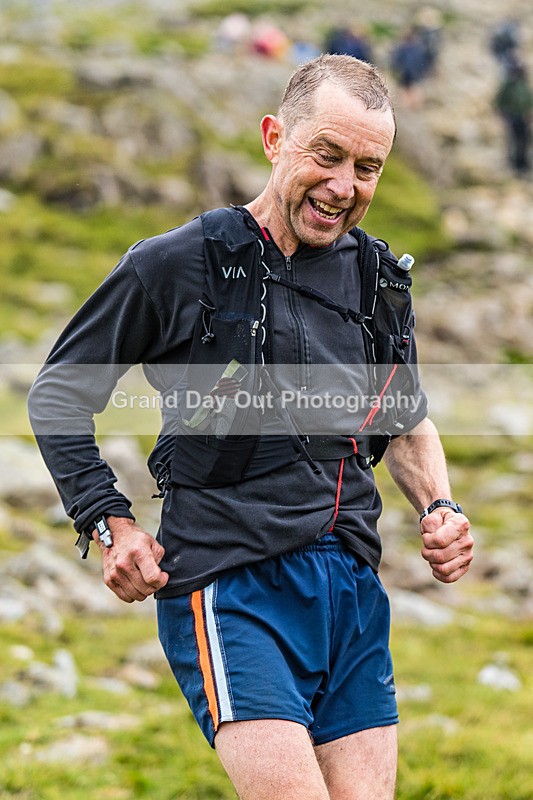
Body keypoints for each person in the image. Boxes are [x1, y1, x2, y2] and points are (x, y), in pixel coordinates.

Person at [28, 55, 473, 799]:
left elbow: (402, 418)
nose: (343, 187)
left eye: (367, 168)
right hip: (231, 587)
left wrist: (440, 505)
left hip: (350, 591)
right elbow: (58, 396)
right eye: (325, 155)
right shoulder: (174, 264)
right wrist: (109, 522)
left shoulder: (378, 281)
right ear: (275, 138)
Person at [494, 61, 533, 177]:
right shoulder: (508, 86)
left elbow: (529, 101)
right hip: (513, 117)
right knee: (515, 140)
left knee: (524, 141)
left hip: (523, 117)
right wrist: (504, 114)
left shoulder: (524, 86)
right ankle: (515, 164)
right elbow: (500, 101)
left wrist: (530, 113)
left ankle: (524, 164)